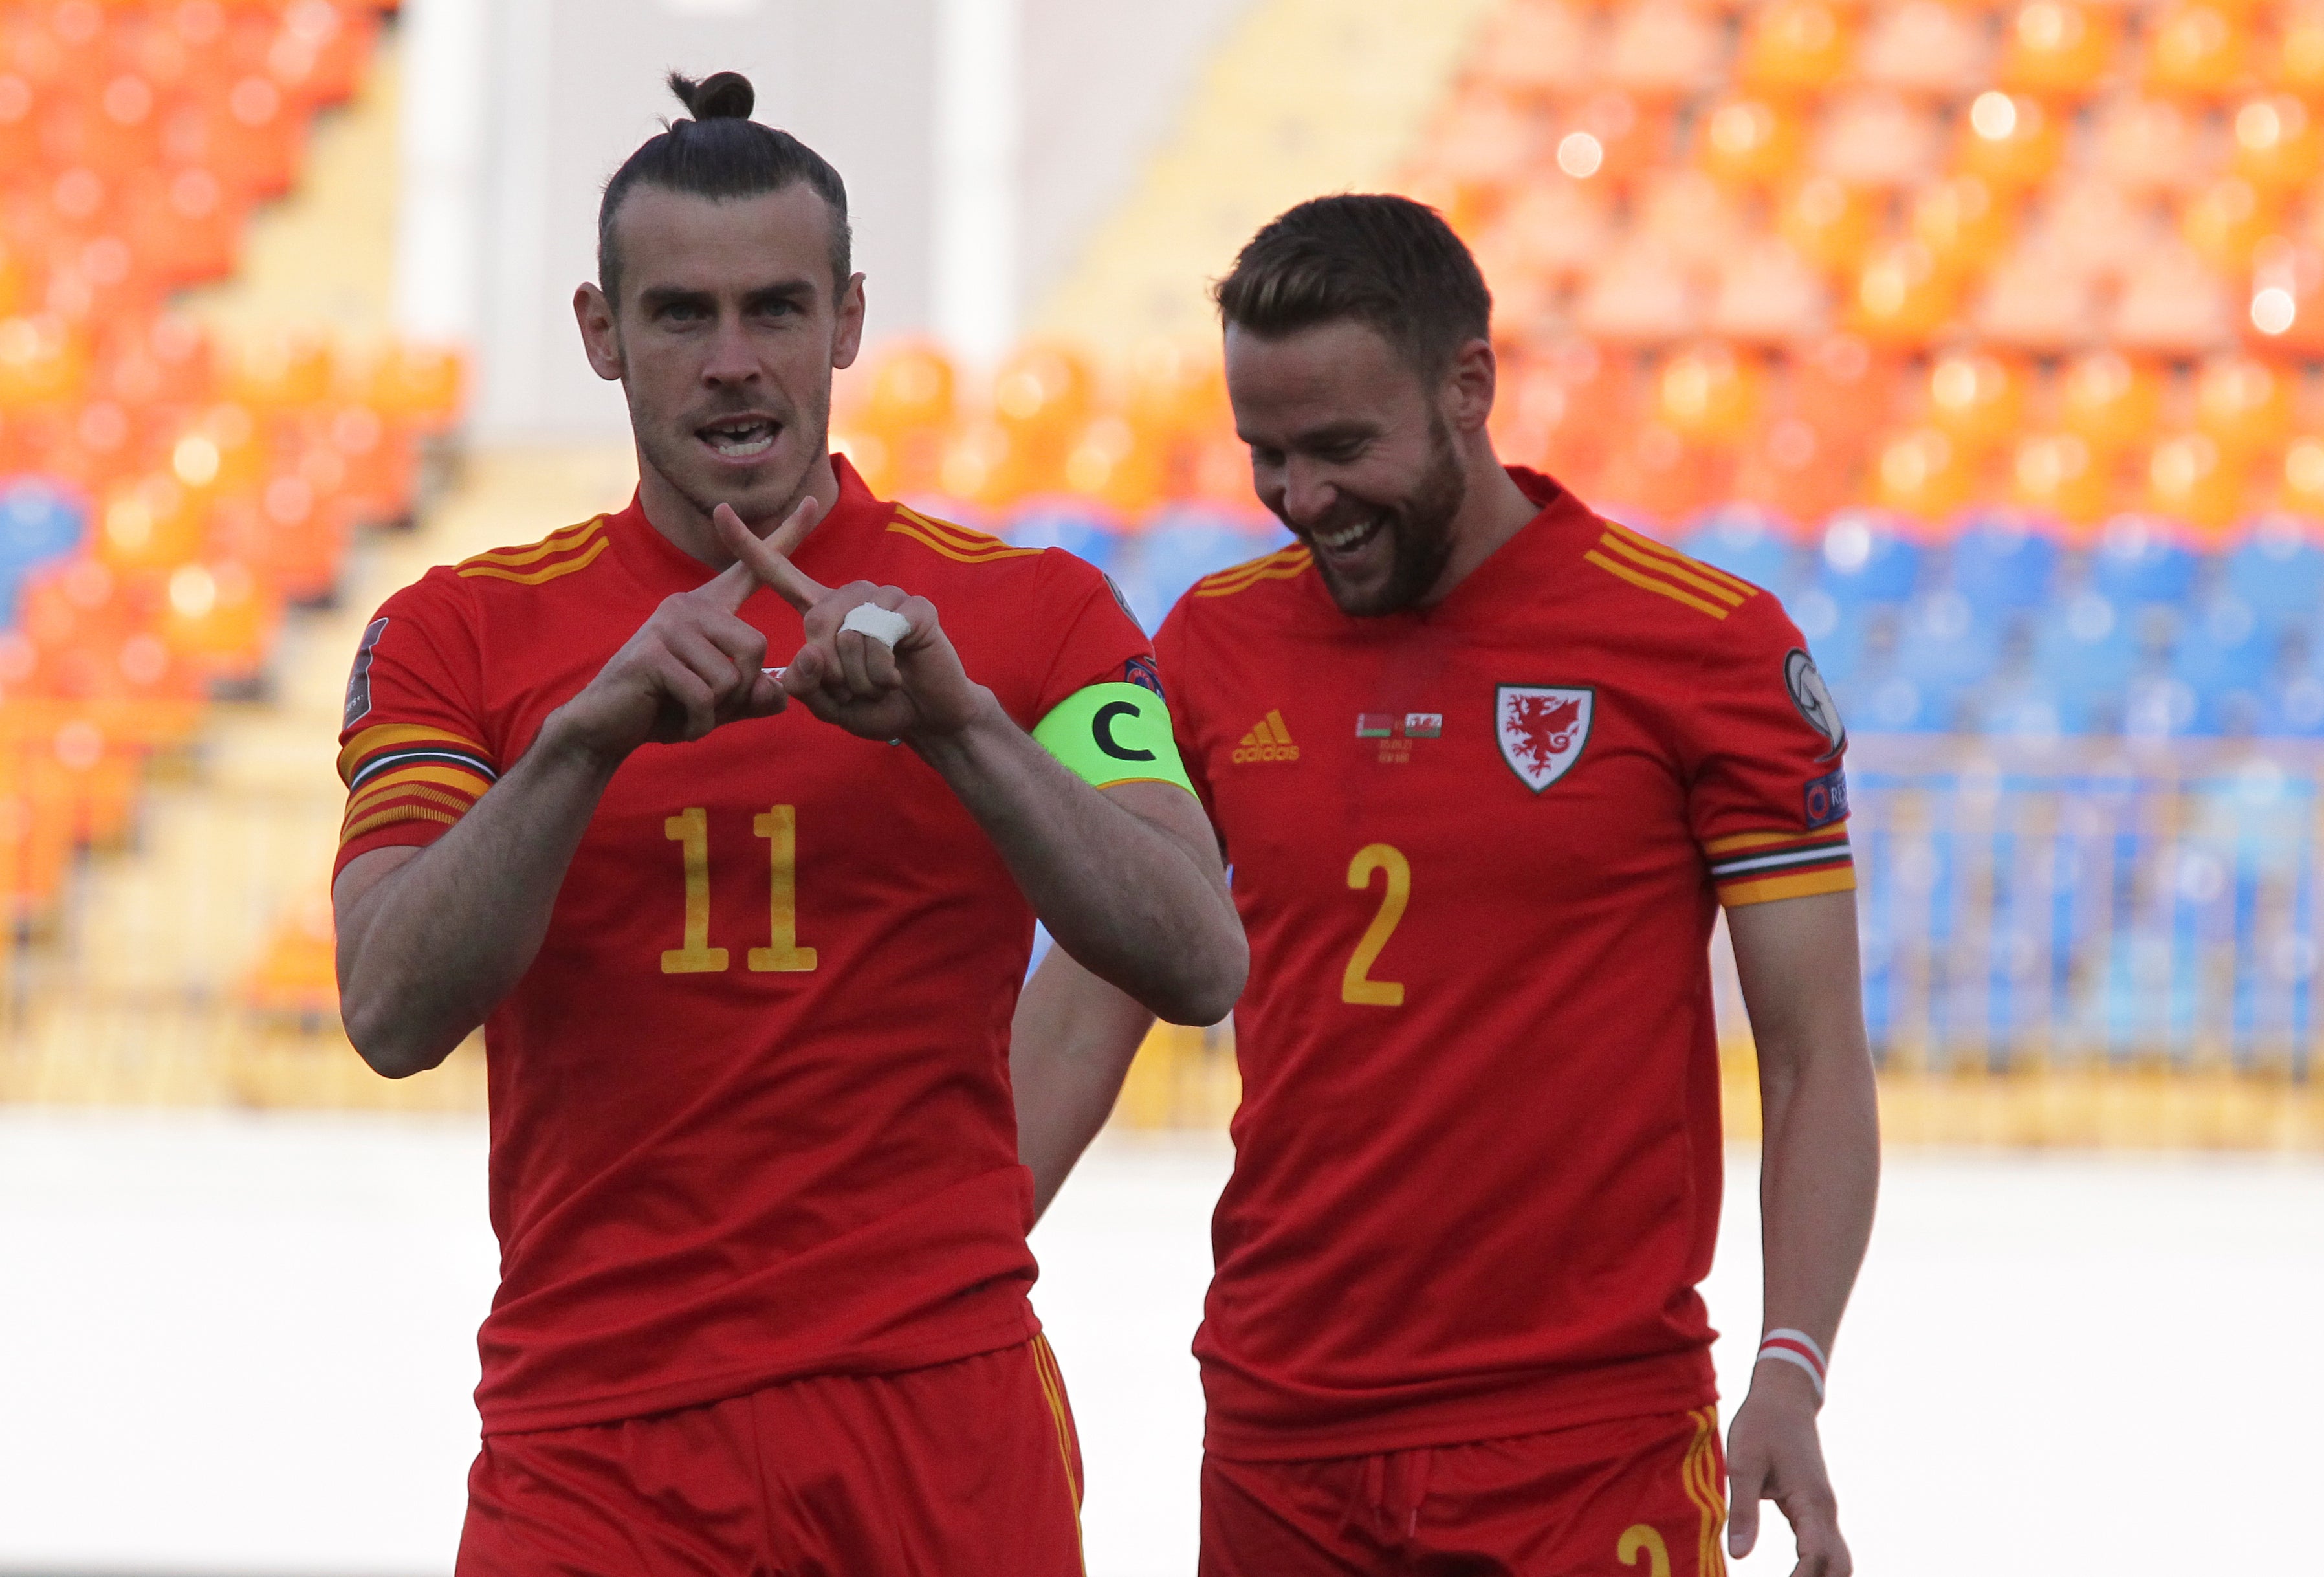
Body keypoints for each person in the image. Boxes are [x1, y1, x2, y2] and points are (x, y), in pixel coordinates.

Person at [331, 71, 1244, 1574]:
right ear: (598, 332)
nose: (733, 362)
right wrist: (581, 741)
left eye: (776, 308)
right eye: (682, 314)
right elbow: (386, 1007)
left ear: (850, 321)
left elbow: (1196, 955)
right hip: (596, 1436)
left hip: (933, 1425)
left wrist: (961, 730)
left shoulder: (1034, 615)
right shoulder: (459, 634)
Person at [1012, 194, 1878, 1577]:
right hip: (1282, 1428)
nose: (1301, 499)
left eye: (1341, 449)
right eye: (1267, 456)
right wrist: (939, 1272)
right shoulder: (1210, 649)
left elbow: (1815, 1054)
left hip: (1583, 1434)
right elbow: (1080, 1008)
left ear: (1468, 386)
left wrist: (1790, 1365)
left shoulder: (1702, 649)